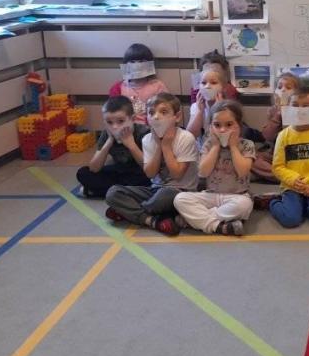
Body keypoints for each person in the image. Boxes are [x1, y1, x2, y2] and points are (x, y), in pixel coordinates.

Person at [104, 93, 198, 235]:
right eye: (151, 113)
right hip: (155, 191)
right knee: (113, 193)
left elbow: (177, 175)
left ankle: (129, 212)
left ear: (177, 116)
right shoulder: (147, 139)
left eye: (163, 112)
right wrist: (159, 146)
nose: (156, 117)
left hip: (181, 192)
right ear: (147, 118)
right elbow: (150, 173)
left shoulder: (186, 138)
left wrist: (166, 146)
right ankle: (152, 220)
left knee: (166, 195)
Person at [174, 100, 255, 235]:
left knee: (244, 205)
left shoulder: (247, 145)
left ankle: (196, 220)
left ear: (239, 126)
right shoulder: (208, 144)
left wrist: (233, 146)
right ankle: (218, 226)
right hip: (210, 195)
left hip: (237, 196)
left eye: (229, 124)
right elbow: (203, 172)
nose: (222, 130)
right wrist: (216, 146)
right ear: (211, 127)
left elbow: (242, 171)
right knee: (180, 199)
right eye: (217, 125)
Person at [269, 87, 309, 228]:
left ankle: (301, 205)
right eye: (295, 105)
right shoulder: (283, 136)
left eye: (305, 106)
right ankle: (273, 202)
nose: (299, 110)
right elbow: (277, 166)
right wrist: (293, 179)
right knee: (291, 220)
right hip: (291, 186)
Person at [76, 96, 149, 198]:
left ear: (132, 119)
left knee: (151, 180)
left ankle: (105, 192)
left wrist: (131, 145)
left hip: (139, 173)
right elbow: (94, 168)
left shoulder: (144, 133)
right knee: (83, 173)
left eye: (121, 121)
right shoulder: (107, 134)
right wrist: (109, 142)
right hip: (120, 172)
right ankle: (125, 193)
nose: (115, 126)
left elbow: (148, 169)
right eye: (109, 122)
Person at [252, 72, 301, 182]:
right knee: (251, 158)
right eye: (279, 87)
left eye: (288, 88)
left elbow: (291, 139)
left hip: (294, 155)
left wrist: (287, 112)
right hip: (274, 154)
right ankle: (285, 176)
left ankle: (284, 175)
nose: (283, 90)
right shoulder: (272, 110)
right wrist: (278, 113)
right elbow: (267, 136)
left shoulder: (300, 111)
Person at [108, 43, 168, 124]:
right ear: (126, 64)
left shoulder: (158, 86)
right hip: (125, 127)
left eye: (141, 61)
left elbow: (166, 109)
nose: (137, 65)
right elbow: (113, 113)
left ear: (150, 64)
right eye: (132, 62)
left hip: (152, 127)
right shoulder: (118, 88)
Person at [186, 67, 226, 144]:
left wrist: (218, 110)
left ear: (223, 88)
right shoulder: (196, 106)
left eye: (213, 83)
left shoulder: (228, 107)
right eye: (203, 83)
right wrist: (200, 112)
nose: (207, 86)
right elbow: (191, 135)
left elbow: (223, 135)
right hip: (201, 147)